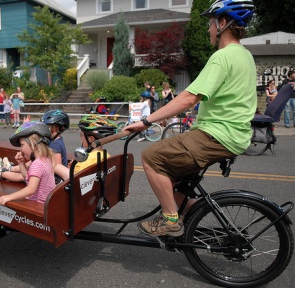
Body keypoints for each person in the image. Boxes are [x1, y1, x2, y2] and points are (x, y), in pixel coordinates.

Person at [123, 0, 256, 237]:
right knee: (175, 181)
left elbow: (188, 98)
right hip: (232, 133)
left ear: (222, 23)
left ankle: (171, 220)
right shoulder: (245, 55)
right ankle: (191, 215)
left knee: (151, 157)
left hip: (217, 135)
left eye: (210, 24)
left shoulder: (222, 57)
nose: (208, 29)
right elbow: (223, 98)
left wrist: (147, 121)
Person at [0, 121, 55, 205]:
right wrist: (21, 163)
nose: (20, 149)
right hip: (44, 204)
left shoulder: (37, 164)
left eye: (22, 145)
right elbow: (27, 178)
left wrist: (8, 197)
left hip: (37, 206)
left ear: (34, 144)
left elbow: (31, 189)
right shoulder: (45, 159)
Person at [54, 115, 117, 181]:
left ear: (91, 139)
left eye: (81, 135)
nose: (80, 138)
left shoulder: (84, 163)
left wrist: (70, 168)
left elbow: (73, 182)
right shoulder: (106, 155)